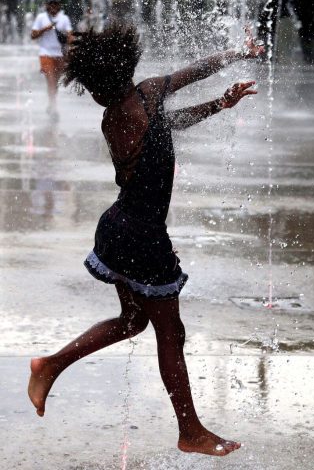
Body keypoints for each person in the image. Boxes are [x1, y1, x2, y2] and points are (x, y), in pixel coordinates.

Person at [27, 24, 263, 457]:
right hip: (141, 236)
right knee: (170, 333)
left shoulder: (115, 116)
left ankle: (50, 365)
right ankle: (190, 431)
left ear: (100, 85)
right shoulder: (147, 93)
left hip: (119, 228)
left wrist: (220, 104)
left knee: (134, 321)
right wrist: (238, 53)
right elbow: (195, 71)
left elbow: (170, 123)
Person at [31, 0, 73, 117]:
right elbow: (33, 35)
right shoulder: (41, 17)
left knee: (55, 82)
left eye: (55, 3)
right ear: (47, 5)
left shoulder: (64, 18)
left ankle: (51, 104)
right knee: (50, 79)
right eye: (51, 3)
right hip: (45, 54)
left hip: (60, 55)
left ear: (59, 5)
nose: (53, 6)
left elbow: (70, 34)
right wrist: (45, 29)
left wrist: (72, 44)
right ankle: (53, 107)